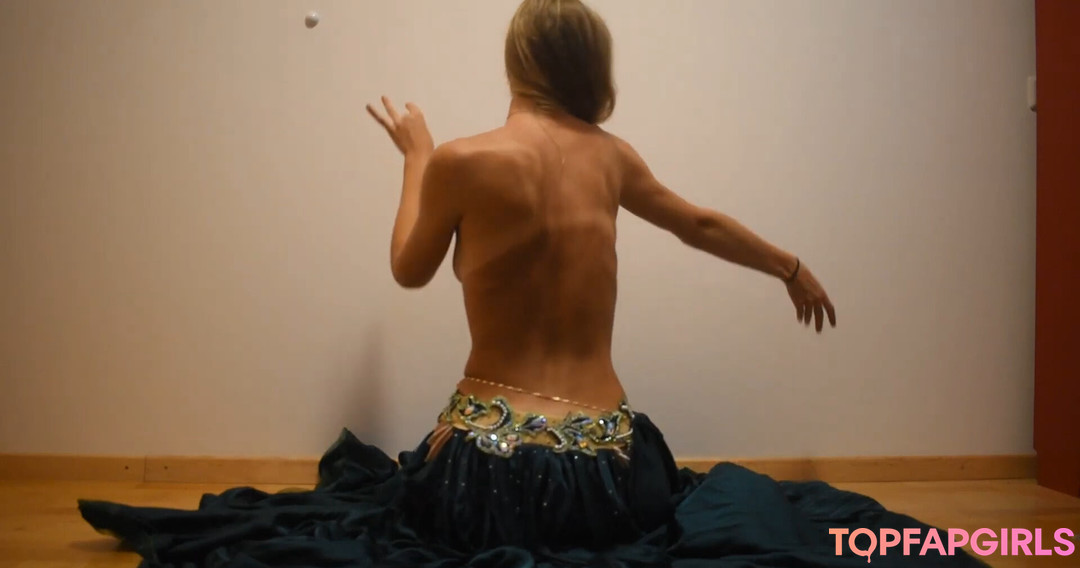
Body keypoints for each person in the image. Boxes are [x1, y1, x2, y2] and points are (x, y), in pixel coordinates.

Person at [78, 2, 987, 567]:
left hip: (490, 474)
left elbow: (408, 270)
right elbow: (699, 223)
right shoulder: (613, 157)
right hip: (609, 475)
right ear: (591, 73)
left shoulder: (464, 160)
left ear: (517, 65)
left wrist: (417, 155)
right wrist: (790, 265)